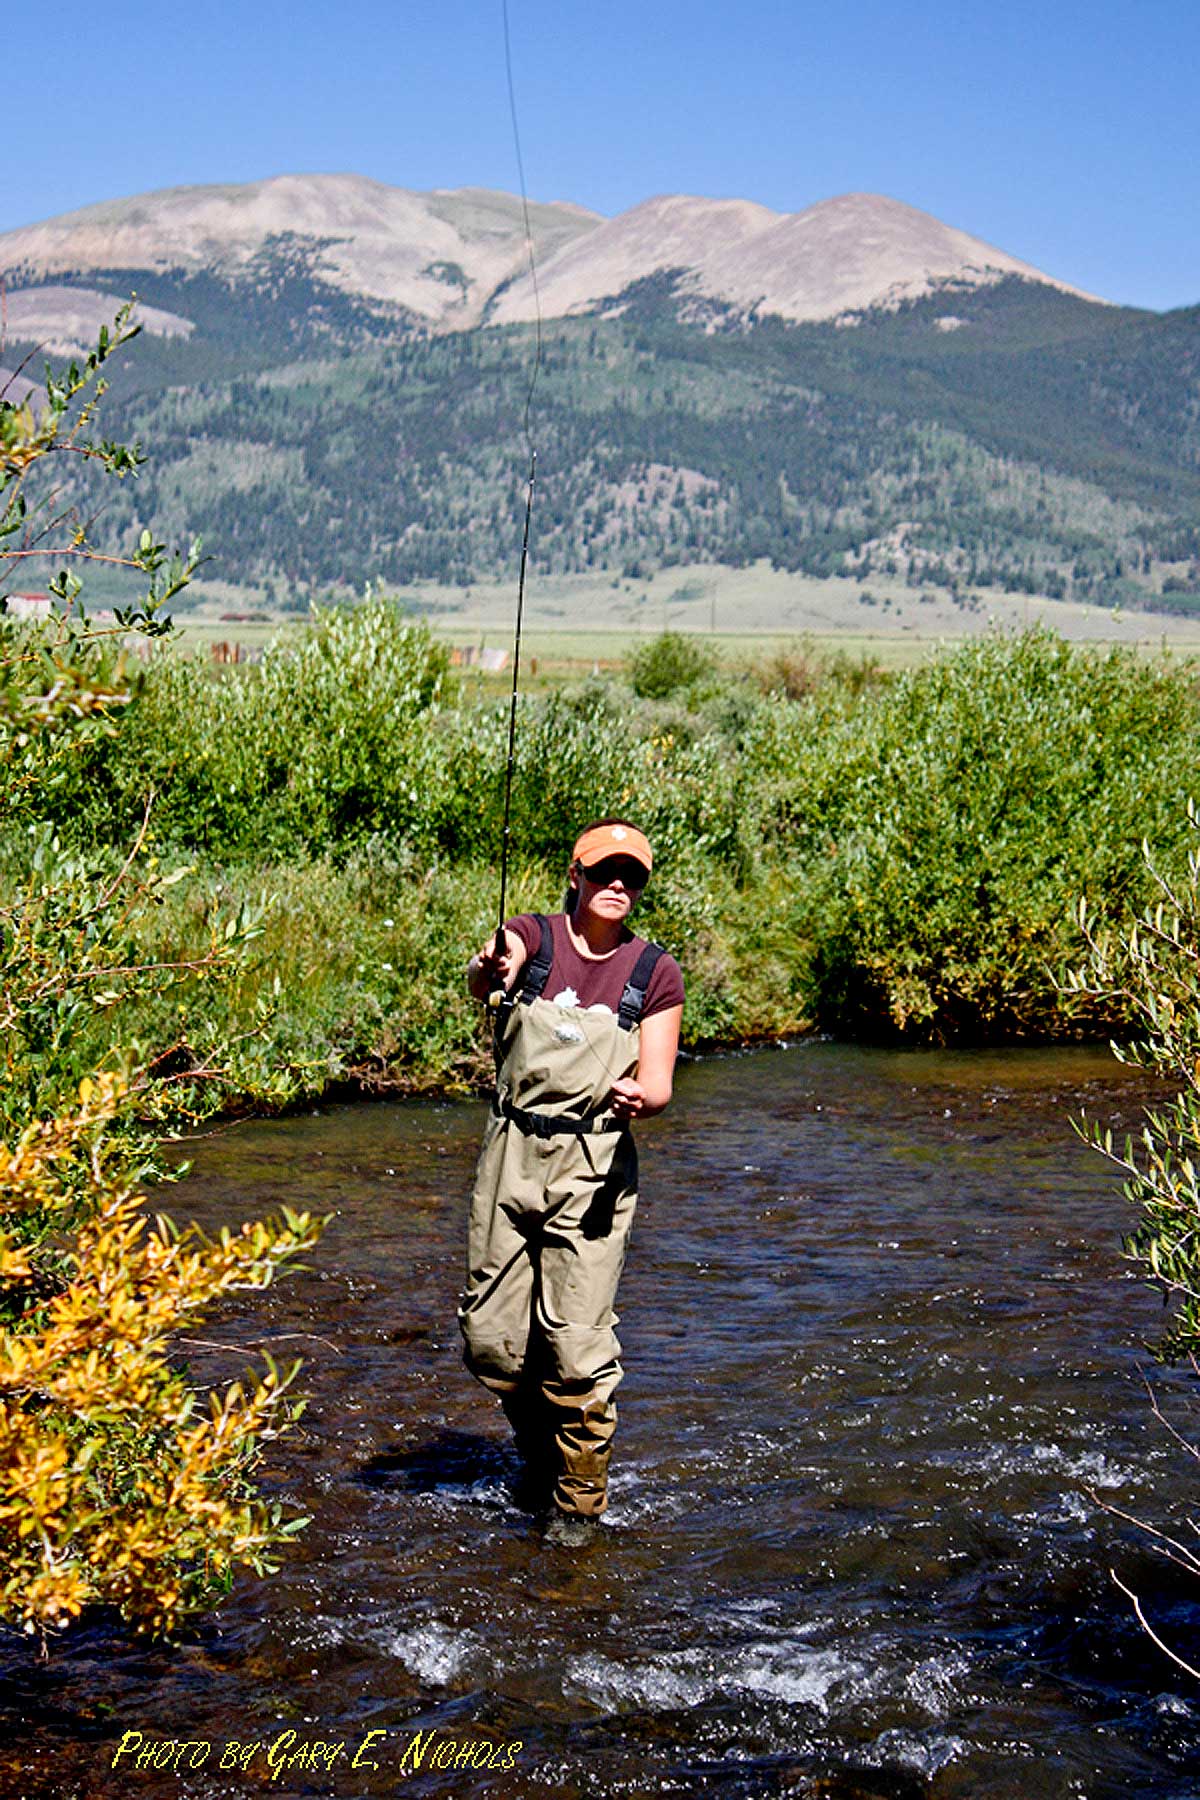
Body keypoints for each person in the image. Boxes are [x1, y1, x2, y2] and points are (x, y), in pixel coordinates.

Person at [458, 819, 684, 1547]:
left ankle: (579, 1507)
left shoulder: (655, 972)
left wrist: (642, 1098)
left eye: (633, 876)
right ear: (576, 876)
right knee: (490, 1341)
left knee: (577, 1351)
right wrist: (490, 966)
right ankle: (541, 1456)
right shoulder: (534, 936)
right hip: (509, 1153)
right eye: (605, 871)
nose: (619, 884)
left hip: (594, 1166)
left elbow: (659, 1083)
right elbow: (488, 972)